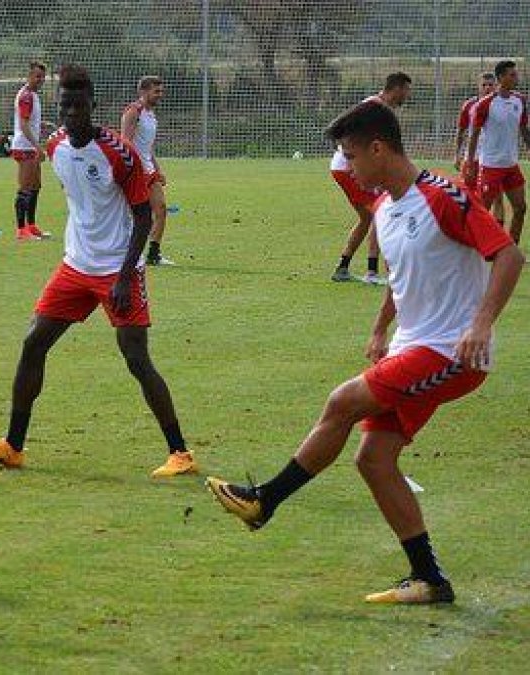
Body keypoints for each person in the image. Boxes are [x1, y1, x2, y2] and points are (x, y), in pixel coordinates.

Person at [207, 100, 523, 604]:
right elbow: (400, 280)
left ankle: (264, 500)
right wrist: (380, 330)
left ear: (379, 149)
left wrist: (482, 323)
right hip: (413, 346)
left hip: (451, 351)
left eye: (351, 156)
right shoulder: (384, 207)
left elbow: (509, 254)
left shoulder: (444, 196)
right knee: (374, 459)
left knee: (341, 402)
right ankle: (429, 580)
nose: (348, 168)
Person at [0, 64, 196, 479]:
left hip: (117, 269)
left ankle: (180, 453)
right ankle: (13, 445)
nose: (72, 111)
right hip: (75, 265)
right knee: (33, 343)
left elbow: (143, 216)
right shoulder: (54, 145)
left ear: (93, 105)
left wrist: (126, 276)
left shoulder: (117, 152)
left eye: (79, 104)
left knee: (136, 359)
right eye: (65, 104)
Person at [329, 72, 412, 284]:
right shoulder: (374, 107)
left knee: (367, 218)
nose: (408, 95)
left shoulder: (381, 108)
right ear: (397, 88)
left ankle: (343, 267)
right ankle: (372, 272)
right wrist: (351, 159)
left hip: (349, 166)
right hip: (349, 167)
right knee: (378, 212)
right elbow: (345, 128)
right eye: (407, 90)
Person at [464, 60, 529, 244]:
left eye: (516, 74)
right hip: (491, 166)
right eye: (512, 74)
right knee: (483, 211)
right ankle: (475, 248)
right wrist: (470, 163)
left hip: (511, 165)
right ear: (501, 78)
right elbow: (474, 135)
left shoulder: (520, 101)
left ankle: (511, 248)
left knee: (520, 208)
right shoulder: (485, 104)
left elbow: (524, 129)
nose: (516, 77)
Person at [121, 76, 171, 266]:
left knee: (161, 209)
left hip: (148, 171)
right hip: (135, 171)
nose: (160, 95)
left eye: (161, 91)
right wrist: (129, 170)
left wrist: (157, 170)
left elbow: (147, 147)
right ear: (143, 92)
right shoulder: (134, 111)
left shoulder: (151, 115)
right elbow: (125, 142)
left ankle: (153, 254)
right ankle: (128, 254)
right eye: (156, 91)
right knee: (137, 216)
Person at [454, 73, 505, 225]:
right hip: (472, 158)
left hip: (492, 160)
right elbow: (461, 131)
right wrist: (457, 155)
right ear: (479, 87)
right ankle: (466, 229)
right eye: (484, 85)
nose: (487, 88)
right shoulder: (469, 105)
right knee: (466, 196)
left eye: (490, 84)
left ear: (496, 85)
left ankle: (497, 234)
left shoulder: (502, 105)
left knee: (497, 198)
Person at [10, 61, 51, 241]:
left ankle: (32, 226)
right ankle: (21, 230)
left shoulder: (33, 95)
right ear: (29, 76)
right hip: (24, 146)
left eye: (42, 77)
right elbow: (23, 124)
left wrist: (41, 124)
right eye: (37, 76)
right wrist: (38, 147)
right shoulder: (26, 96)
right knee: (25, 188)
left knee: (35, 186)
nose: (40, 80)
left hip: (30, 145)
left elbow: (30, 121)